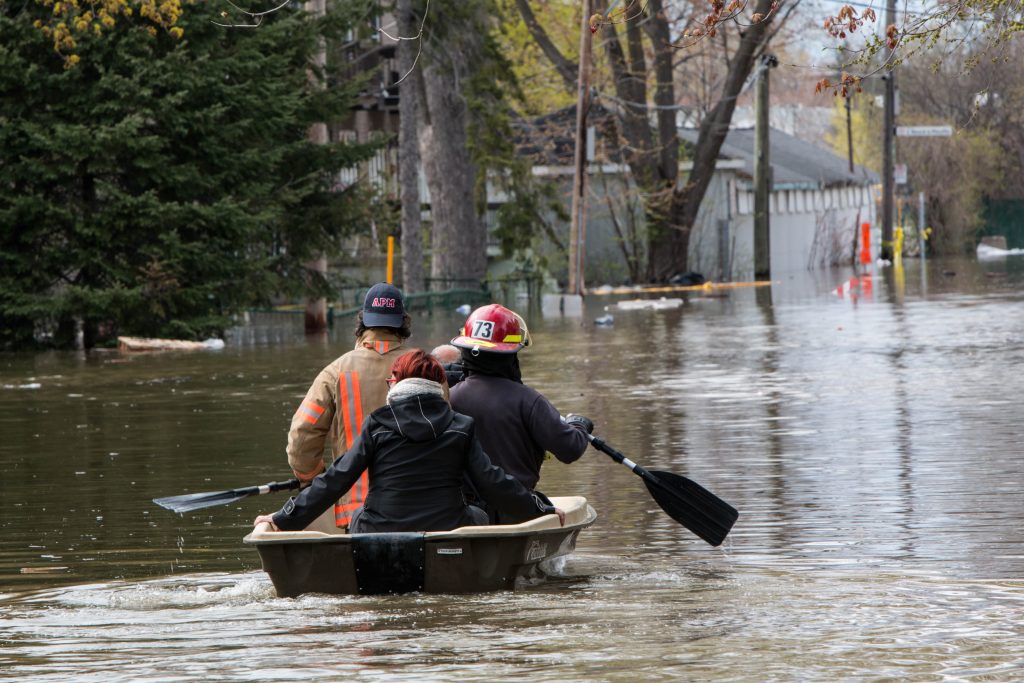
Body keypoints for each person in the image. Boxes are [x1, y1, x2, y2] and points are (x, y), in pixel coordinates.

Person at [255, 350, 563, 533]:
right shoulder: (460, 426)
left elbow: (336, 479)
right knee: (479, 514)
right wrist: (540, 509)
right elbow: (494, 483)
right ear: (437, 385)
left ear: (397, 383)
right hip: (448, 527)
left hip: (379, 531)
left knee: (359, 514)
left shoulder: (376, 425)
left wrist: (284, 519)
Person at [285, 282, 410, 530]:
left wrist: (313, 479)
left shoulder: (335, 372)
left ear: (362, 322)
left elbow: (302, 435)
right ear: (404, 322)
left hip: (358, 510)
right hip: (420, 504)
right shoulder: (426, 367)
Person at [448, 304, 593, 509]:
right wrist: (580, 426)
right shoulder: (529, 401)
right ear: (510, 355)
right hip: (517, 507)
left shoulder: (447, 399)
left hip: (463, 510)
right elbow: (570, 449)